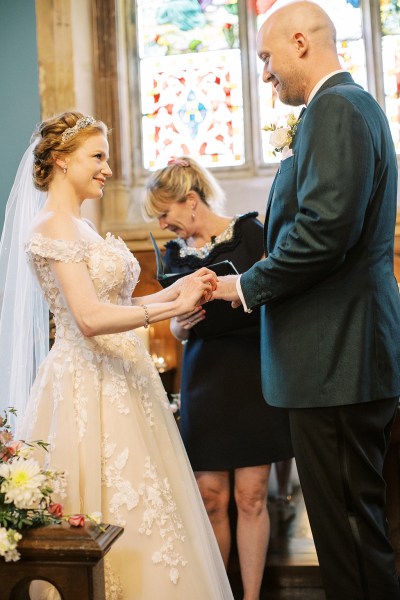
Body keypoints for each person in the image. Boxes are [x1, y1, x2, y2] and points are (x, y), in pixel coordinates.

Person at [0, 111, 235, 600]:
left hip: (123, 381)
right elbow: (88, 319)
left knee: (151, 512)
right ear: (63, 161)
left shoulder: (82, 227)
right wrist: (166, 309)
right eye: (98, 156)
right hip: (85, 385)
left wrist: (183, 292)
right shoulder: (52, 227)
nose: (108, 168)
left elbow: (119, 307)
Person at [213, 2, 400, 599]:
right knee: (350, 525)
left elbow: (323, 232)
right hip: (336, 356)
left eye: (267, 57)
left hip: (336, 358)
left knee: (346, 528)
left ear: (300, 42)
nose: (265, 72)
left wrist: (245, 285)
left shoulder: (337, 109)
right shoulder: (343, 108)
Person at [143, 157, 293, 600]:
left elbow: (278, 290)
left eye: (165, 213)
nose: (163, 224)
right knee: (210, 497)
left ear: (191, 201)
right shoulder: (173, 255)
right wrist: (182, 322)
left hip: (251, 370)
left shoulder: (250, 232)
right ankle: (220, 592)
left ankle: (251, 595)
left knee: (250, 496)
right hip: (204, 374)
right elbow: (173, 329)